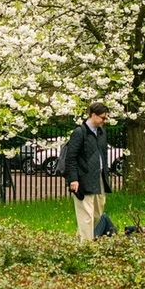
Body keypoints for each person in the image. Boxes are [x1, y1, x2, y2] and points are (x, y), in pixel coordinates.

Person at [64, 101, 113, 243]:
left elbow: (103, 155)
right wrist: (73, 179)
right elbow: (70, 158)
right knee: (87, 216)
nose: (105, 121)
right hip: (83, 179)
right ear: (93, 115)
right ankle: (86, 248)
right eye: (103, 118)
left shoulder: (102, 133)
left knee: (97, 214)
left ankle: (79, 241)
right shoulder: (80, 133)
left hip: (99, 178)